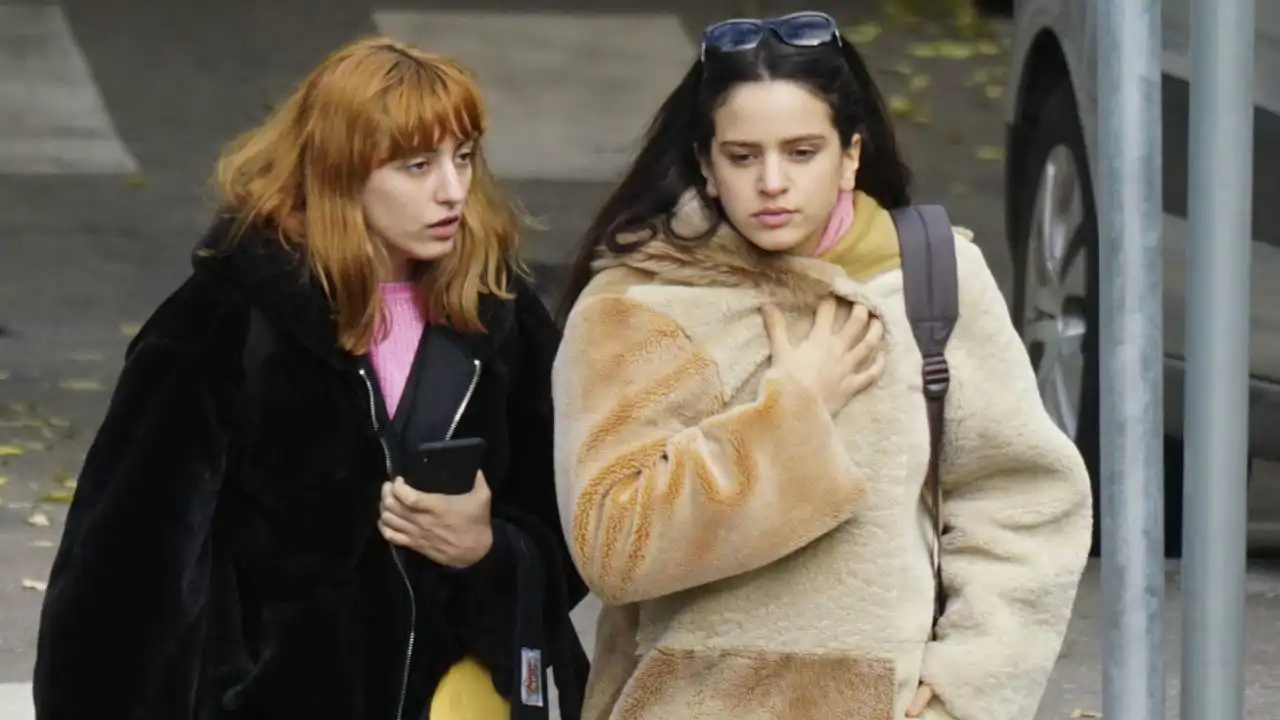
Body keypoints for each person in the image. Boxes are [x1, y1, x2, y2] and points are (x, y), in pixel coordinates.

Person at [552, 11, 1091, 720]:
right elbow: (612, 546)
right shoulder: (639, 303)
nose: (772, 182)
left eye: (802, 151)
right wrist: (791, 414)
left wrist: (968, 689)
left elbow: (1024, 501)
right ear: (707, 167)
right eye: (743, 157)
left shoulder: (931, 280)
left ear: (851, 157)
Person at [33, 36, 588, 720]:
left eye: (464, 157)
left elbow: (578, 519)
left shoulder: (497, 314)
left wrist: (491, 551)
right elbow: (122, 570)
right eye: (416, 166)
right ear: (341, 172)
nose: (452, 190)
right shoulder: (226, 320)